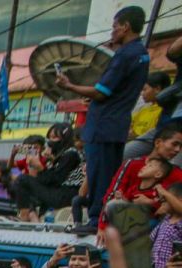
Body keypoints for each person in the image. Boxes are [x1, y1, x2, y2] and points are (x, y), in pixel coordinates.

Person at [56, 6, 151, 233]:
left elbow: (102, 91)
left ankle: (96, 219)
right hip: (116, 123)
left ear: (125, 26)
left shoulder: (126, 54)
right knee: (108, 173)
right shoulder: (142, 53)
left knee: (99, 173)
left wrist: (69, 85)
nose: (113, 31)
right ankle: (100, 216)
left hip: (104, 125)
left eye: (115, 26)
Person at [12, 128, 85, 223]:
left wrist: (40, 167)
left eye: (54, 137)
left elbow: (54, 180)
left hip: (65, 195)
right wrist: (50, 162)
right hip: (61, 193)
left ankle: (25, 217)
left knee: (22, 180)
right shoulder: (62, 155)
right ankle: (32, 215)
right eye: (49, 137)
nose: (50, 141)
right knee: (26, 183)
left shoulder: (71, 154)